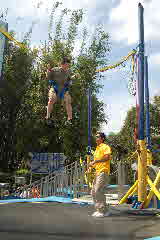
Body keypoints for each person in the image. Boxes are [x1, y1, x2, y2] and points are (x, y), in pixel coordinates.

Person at [87, 132, 112, 218]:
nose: (96, 138)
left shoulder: (105, 147)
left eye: (98, 137)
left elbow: (107, 157)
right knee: (93, 192)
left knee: (98, 190)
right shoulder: (97, 149)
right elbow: (96, 161)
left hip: (103, 171)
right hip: (97, 172)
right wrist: (91, 166)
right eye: (96, 137)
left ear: (102, 139)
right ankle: (99, 209)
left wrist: (95, 161)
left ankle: (103, 211)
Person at [45, 57, 76, 125]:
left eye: (68, 65)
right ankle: (48, 117)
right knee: (52, 99)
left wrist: (73, 77)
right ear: (62, 64)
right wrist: (48, 70)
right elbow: (48, 77)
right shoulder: (55, 69)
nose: (67, 67)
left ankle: (69, 119)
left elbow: (69, 79)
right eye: (66, 65)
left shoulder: (68, 71)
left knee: (68, 100)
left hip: (63, 89)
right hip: (55, 87)